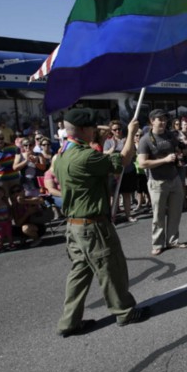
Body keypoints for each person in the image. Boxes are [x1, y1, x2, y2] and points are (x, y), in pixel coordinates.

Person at [54, 108, 151, 337]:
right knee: (111, 267)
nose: (96, 131)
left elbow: (96, 149)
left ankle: (69, 321)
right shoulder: (86, 157)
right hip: (92, 225)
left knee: (79, 272)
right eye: (92, 128)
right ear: (85, 130)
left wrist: (99, 133)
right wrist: (130, 134)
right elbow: (124, 161)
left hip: (74, 226)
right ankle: (125, 311)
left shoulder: (62, 155)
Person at [137, 109, 187, 256]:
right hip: (157, 182)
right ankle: (157, 244)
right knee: (158, 215)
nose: (163, 122)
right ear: (152, 121)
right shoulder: (145, 139)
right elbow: (142, 164)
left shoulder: (170, 135)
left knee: (175, 212)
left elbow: (178, 150)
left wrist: (179, 154)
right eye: (160, 119)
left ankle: (173, 240)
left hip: (174, 178)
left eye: (165, 119)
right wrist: (164, 160)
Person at [0, 129, 20, 195]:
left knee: (17, 198)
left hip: (14, 178)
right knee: (5, 198)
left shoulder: (13, 147)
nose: (0, 141)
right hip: (1, 179)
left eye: (2, 138)